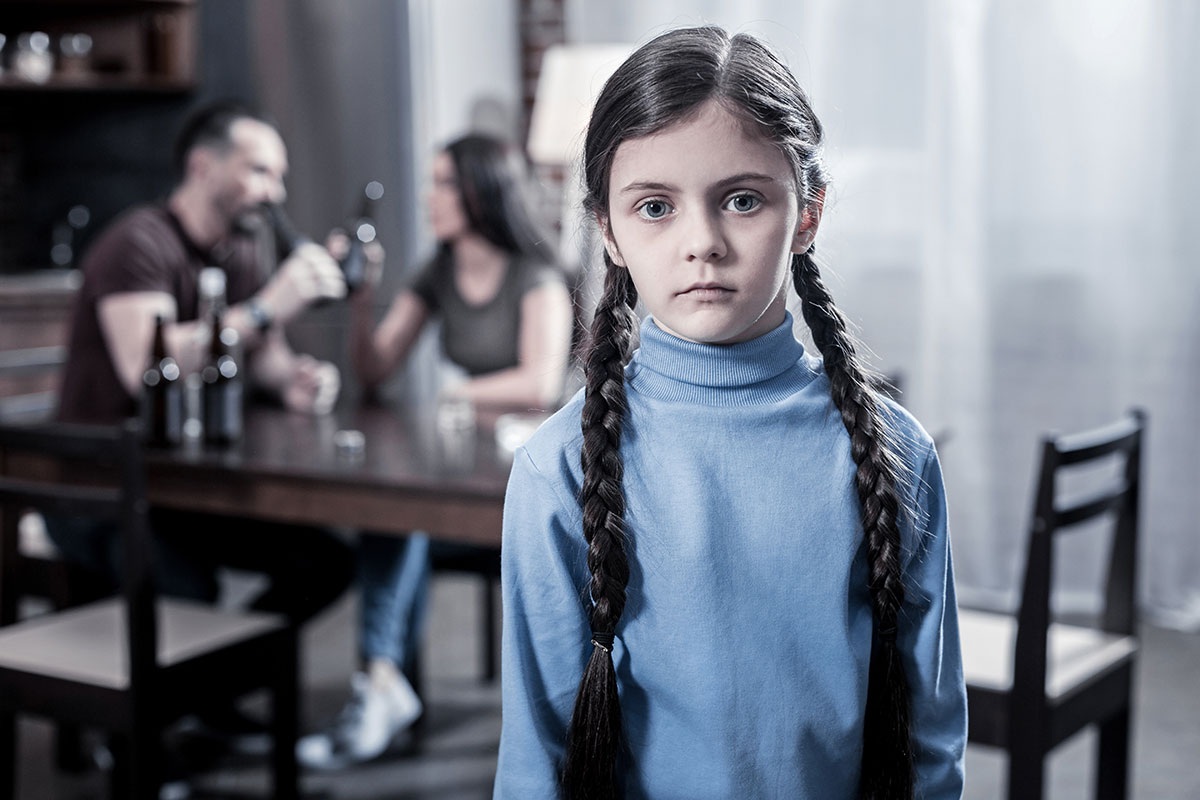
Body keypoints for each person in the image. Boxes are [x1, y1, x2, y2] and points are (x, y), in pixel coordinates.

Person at [494, 26, 966, 800]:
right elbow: (533, 763)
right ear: (608, 231)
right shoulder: (558, 469)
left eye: (742, 200)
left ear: (807, 213)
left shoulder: (896, 454)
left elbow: (931, 740)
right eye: (655, 207)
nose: (702, 243)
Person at [296, 133, 574, 769]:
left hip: (521, 492)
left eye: (444, 183)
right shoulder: (438, 270)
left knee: (403, 520)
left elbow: (538, 381)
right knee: (394, 514)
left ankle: (383, 684)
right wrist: (361, 298)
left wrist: (456, 391)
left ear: (482, 191)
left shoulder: (537, 276)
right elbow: (375, 367)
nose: (429, 197)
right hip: (453, 478)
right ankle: (382, 683)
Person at [50, 101, 354, 630]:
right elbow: (144, 364)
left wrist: (292, 382)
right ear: (201, 167)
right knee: (188, 588)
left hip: (183, 485)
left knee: (326, 559)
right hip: (96, 487)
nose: (274, 193)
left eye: (279, 177)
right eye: (259, 171)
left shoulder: (238, 250)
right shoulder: (138, 241)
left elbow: (263, 357)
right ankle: (203, 691)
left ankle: (221, 678)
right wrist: (266, 306)